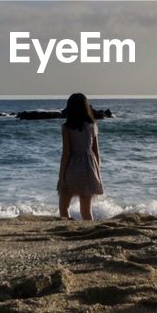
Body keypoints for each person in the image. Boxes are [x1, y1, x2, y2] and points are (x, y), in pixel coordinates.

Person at [57, 92, 103, 220]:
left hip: (72, 168)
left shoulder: (66, 127)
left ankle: (68, 229)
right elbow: (96, 152)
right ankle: (90, 232)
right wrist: (97, 173)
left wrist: (61, 177)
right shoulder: (93, 126)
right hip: (89, 167)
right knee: (86, 211)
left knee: (63, 207)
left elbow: (66, 153)